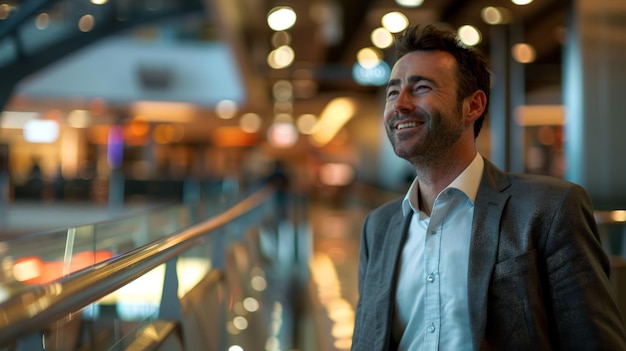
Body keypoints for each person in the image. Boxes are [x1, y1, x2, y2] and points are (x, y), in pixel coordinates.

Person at [351, 24, 626, 350]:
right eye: (393, 92)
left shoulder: (548, 209)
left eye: (421, 88)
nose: (401, 104)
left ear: (473, 106)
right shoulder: (379, 227)